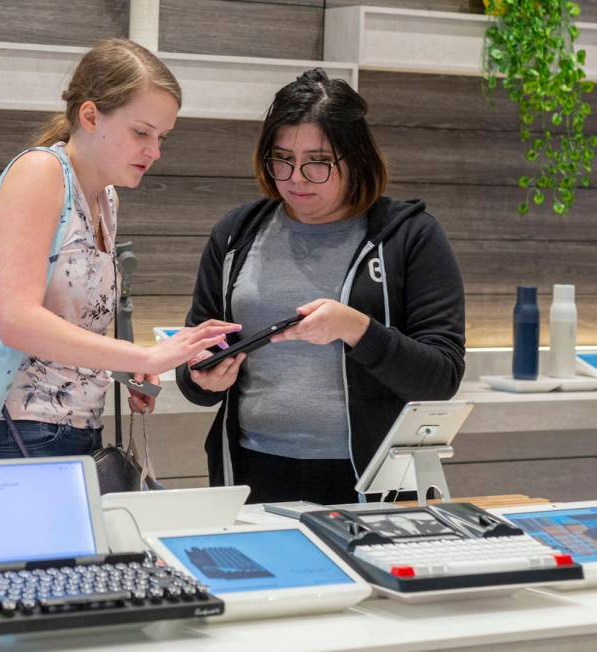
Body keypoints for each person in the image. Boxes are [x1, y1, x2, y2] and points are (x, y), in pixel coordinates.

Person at [176, 68, 465, 505]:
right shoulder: (236, 234)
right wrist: (202, 379)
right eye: (282, 159)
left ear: (356, 158)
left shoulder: (410, 236)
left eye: (317, 162)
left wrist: (358, 330)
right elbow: (192, 355)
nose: (295, 178)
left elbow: (441, 377)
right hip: (253, 471)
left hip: (375, 477)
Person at [0, 39, 239, 463]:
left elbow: (71, 324)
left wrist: (127, 367)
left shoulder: (106, 198)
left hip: (76, 426)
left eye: (162, 136)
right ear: (90, 115)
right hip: (14, 429)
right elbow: (17, 320)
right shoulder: (40, 173)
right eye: (141, 132)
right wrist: (143, 354)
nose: (154, 151)